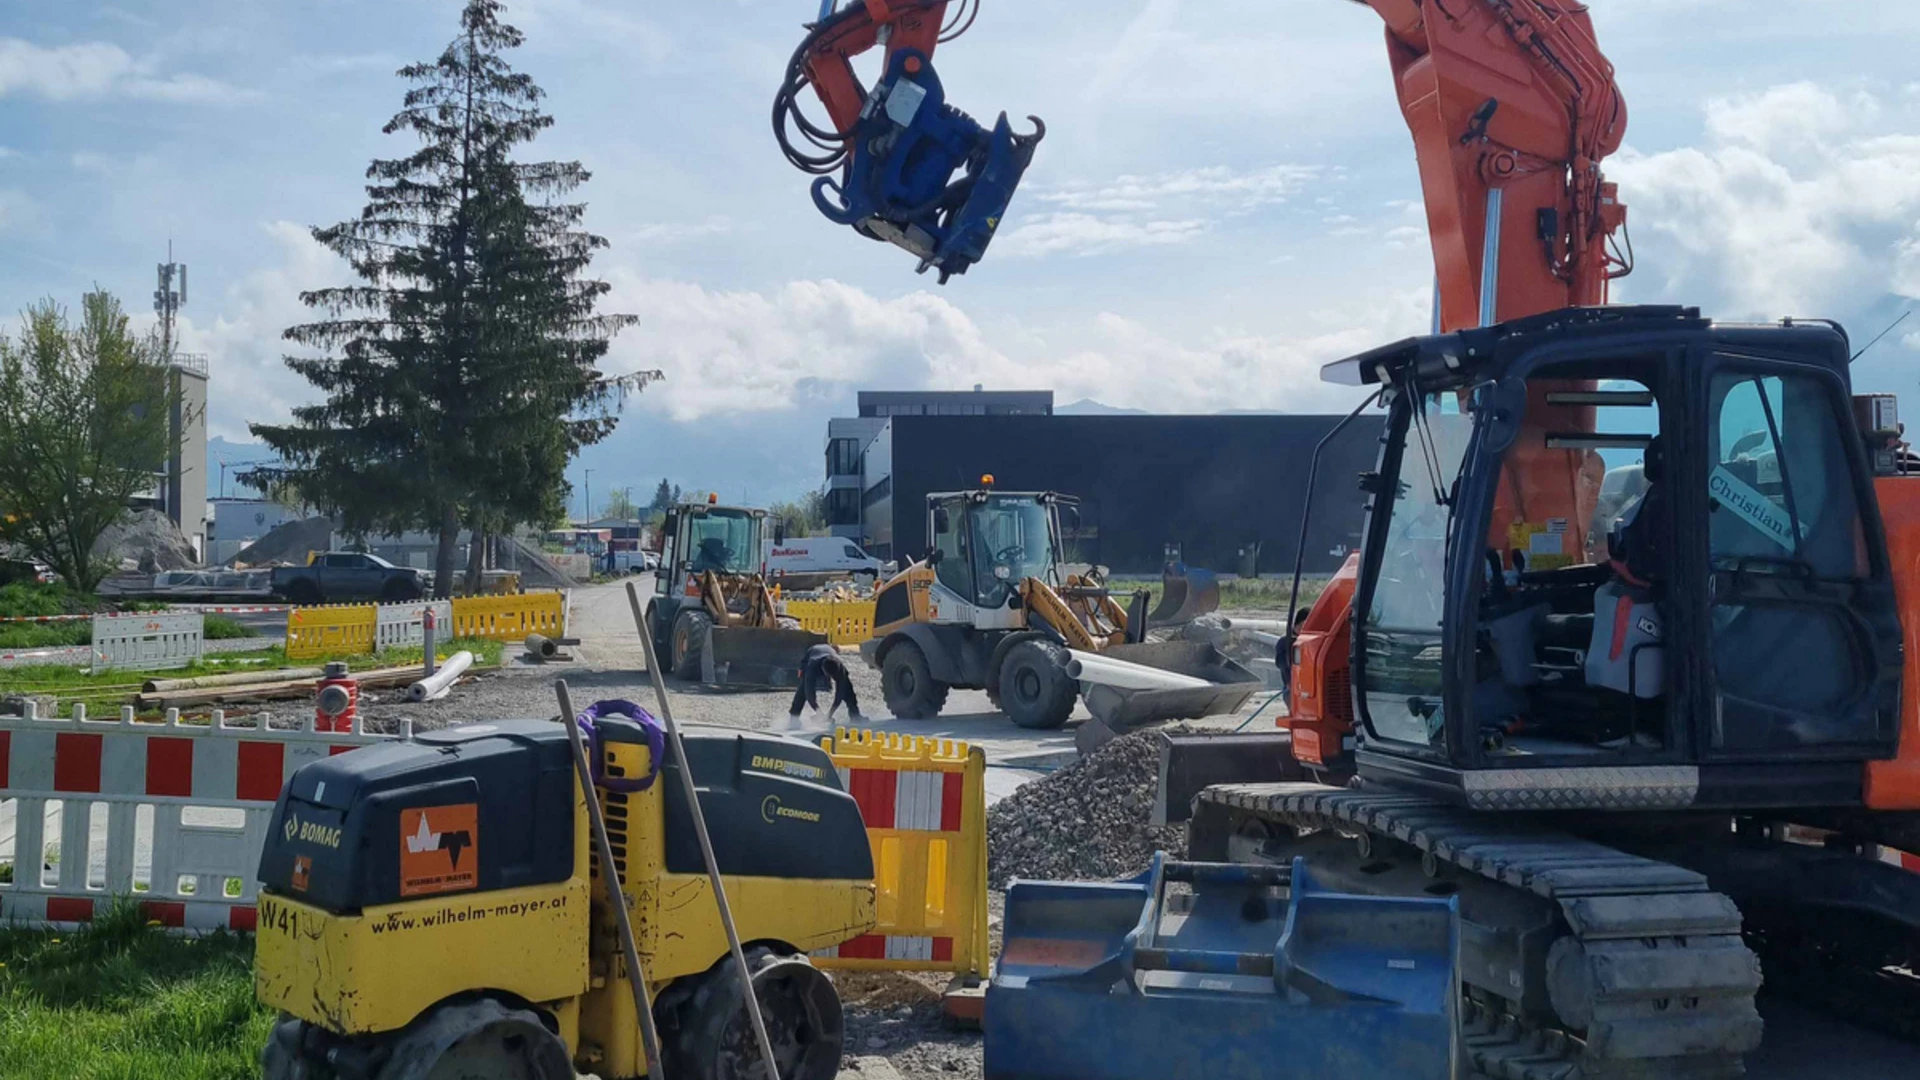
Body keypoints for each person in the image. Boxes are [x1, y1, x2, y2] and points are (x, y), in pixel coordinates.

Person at [787, 642, 865, 731]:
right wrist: (819, 713)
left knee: (848, 689)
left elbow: (840, 693)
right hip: (812, 653)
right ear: (823, 670)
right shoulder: (812, 666)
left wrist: (829, 715)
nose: (830, 678)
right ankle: (793, 718)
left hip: (829, 654)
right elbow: (809, 692)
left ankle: (855, 715)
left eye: (833, 676)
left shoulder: (840, 668)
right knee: (802, 690)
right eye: (828, 676)